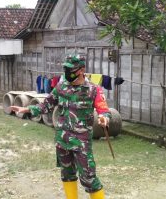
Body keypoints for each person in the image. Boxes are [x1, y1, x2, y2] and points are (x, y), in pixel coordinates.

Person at [11, 55, 111, 199]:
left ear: (82, 69)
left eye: (71, 69)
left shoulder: (94, 90)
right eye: (65, 68)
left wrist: (104, 119)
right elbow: (45, 105)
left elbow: (104, 110)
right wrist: (26, 109)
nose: (67, 72)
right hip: (62, 140)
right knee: (67, 175)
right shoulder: (61, 87)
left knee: (89, 179)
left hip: (81, 143)